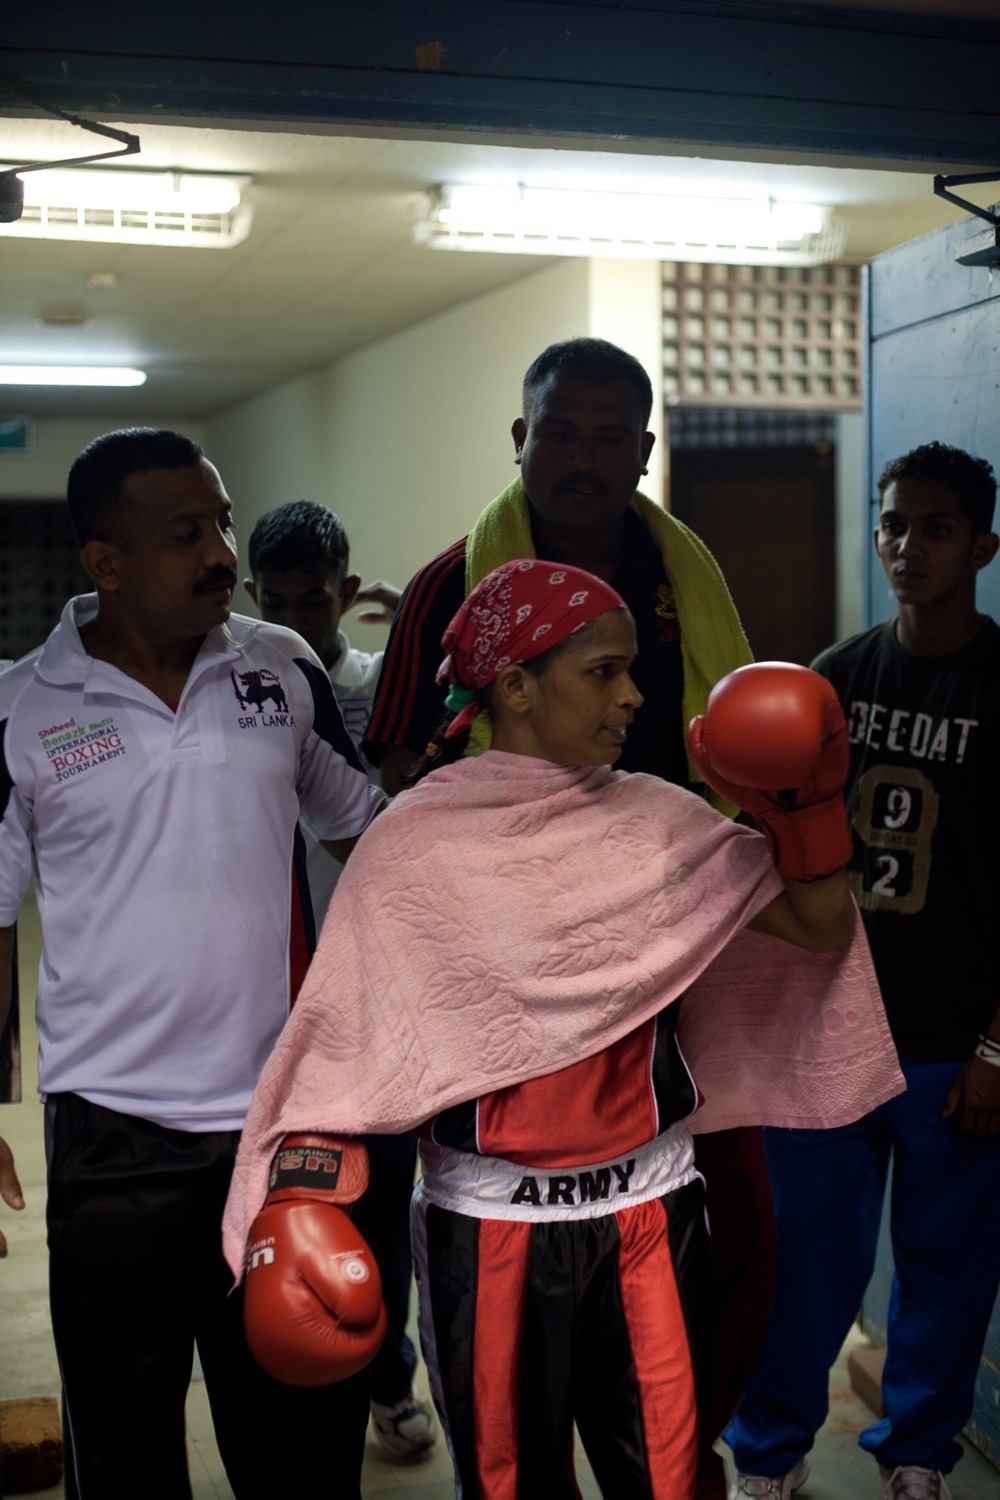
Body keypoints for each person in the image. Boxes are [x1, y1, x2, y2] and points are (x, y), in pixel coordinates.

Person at [223, 559, 902, 1500]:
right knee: (507, 1488)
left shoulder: (663, 822)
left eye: (633, 673)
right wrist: (302, 1202)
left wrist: (806, 810)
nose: (632, 697)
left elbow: (823, 927)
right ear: (515, 687)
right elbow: (344, 1041)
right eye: (603, 673)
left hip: (651, 1217)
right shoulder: (412, 846)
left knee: (670, 1482)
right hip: (488, 1227)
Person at [362, 336, 769, 1495]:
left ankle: (700, 1428)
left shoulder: (685, 580)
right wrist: (503, 878)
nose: (583, 458)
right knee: (506, 1406)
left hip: (666, 966)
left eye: (608, 438)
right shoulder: (455, 585)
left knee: (729, 1220)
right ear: (519, 437)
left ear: (640, 451)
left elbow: (742, 792)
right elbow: (398, 765)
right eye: (559, 432)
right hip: (498, 998)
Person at [0, 428, 386, 1500]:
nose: (221, 551)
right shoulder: (21, 709)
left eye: (221, 522)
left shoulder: (282, 667)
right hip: (111, 1141)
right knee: (124, 1453)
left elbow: (376, 844)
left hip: (283, 1126)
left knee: (304, 1442)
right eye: (187, 534)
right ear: (105, 563)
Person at [725, 442, 1000, 1500]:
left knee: (945, 1269)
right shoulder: (831, 679)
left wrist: (993, 1047)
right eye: (892, 525)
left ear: (980, 544)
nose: (906, 546)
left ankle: (919, 1457)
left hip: (952, 1049)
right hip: (829, 1035)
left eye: (934, 528)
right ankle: (769, 1455)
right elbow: (769, 858)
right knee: (803, 1263)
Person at [244, 500, 435, 1459]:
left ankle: (387, 1373)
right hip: (272, 997)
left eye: (311, 600)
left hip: (378, 996)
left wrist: (417, 645)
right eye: (273, 599)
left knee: (381, 1198)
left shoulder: (374, 689)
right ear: (249, 597)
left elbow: (412, 798)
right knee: (291, 1194)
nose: (292, 617)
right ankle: (298, 1367)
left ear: (345, 595)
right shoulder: (240, 691)